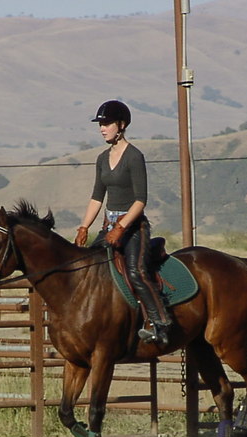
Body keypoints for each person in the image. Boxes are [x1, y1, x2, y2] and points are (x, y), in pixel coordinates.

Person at [74, 99, 172, 346]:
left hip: (133, 227)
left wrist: (120, 227)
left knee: (136, 271)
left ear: (122, 125)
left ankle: (159, 323)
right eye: (100, 124)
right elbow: (97, 198)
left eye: (106, 124)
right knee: (88, 268)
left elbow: (141, 200)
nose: (102, 129)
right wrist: (84, 227)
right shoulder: (101, 158)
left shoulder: (134, 157)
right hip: (108, 227)